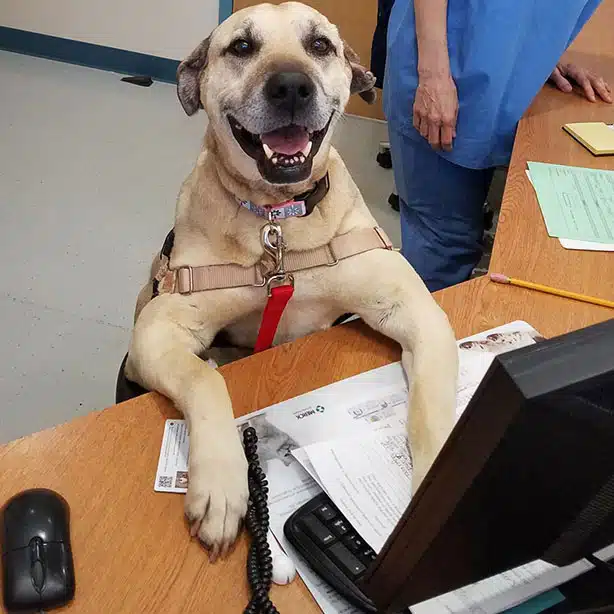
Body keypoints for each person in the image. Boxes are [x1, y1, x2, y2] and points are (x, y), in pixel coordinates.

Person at [383, 0, 612, 292]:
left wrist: (546, 51)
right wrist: (433, 76)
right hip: (444, 70)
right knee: (441, 247)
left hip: (509, 71)